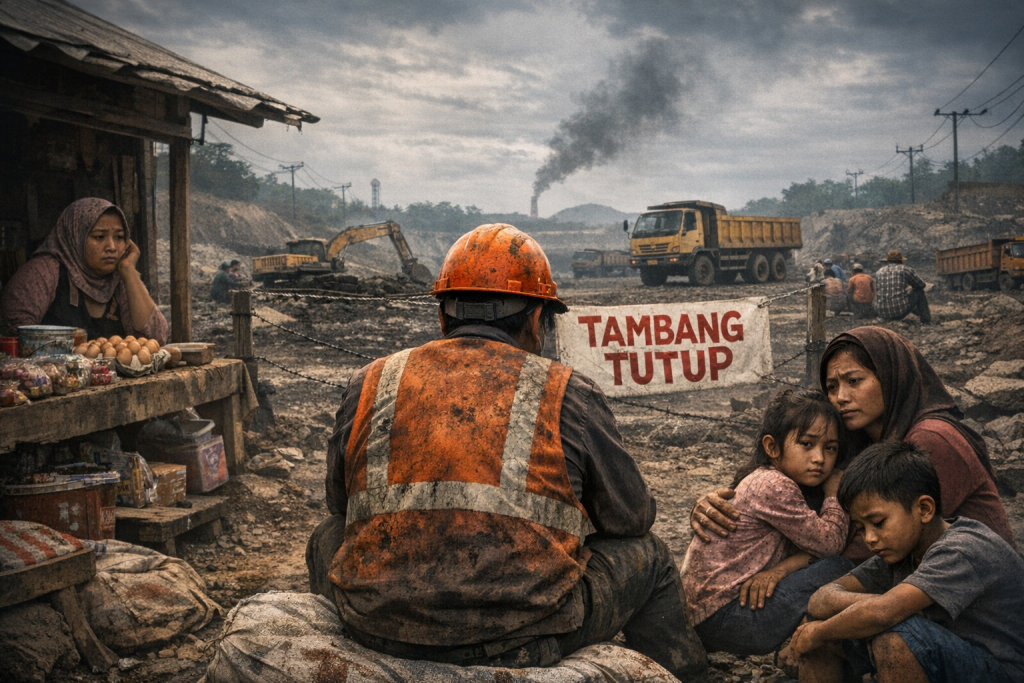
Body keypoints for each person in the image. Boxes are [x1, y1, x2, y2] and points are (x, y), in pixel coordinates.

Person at [305, 223, 708, 680]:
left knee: (327, 534)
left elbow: (341, 505)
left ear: (443, 315)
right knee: (648, 554)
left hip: (377, 628)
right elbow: (631, 518)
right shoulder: (566, 392)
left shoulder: (372, 381)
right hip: (525, 639)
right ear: (537, 320)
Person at [688, 327, 1014, 559]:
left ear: (890, 376)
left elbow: (865, 548)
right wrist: (724, 504)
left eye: (854, 381)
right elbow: (807, 501)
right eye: (832, 386)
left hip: (980, 601)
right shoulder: (859, 442)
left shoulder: (931, 440)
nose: (841, 398)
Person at [792, 441, 1024, 682]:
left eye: (879, 522)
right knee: (827, 623)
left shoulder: (962, 548)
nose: (870, 538)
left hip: (1004, 672)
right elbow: (820, 600)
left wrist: (818, 633)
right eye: (861, 528)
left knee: (895, 637)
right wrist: (888, 606)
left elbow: (882, 615)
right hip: (954, 660)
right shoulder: (901, 552)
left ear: (924, 509)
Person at [683, 389, 853, 657]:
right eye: (807, 444)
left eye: (829, 448)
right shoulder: (774, 485)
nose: (820, 458)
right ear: (772, 447)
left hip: (707, 617)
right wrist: (834, 495)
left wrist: (782, 570)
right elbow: (829, 544)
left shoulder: (763, 477)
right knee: (838, 567)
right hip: (729, 619)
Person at [0, 198, 168, 344]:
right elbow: (15, 332)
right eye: (99, 237)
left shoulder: (119, 279)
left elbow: (155, 338)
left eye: (119, 237)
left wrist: (128, 270)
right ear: (76, 238)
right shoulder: (44, 272)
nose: (112, 247)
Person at [873, 249, 930, 324]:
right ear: (901, 260)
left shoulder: (879, 271)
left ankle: (887, 318)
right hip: (899, 310)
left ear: (888, 261)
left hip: (882, 312)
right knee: (918, 291)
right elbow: (921, 285)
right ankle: (926, 320)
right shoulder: (905, 269)